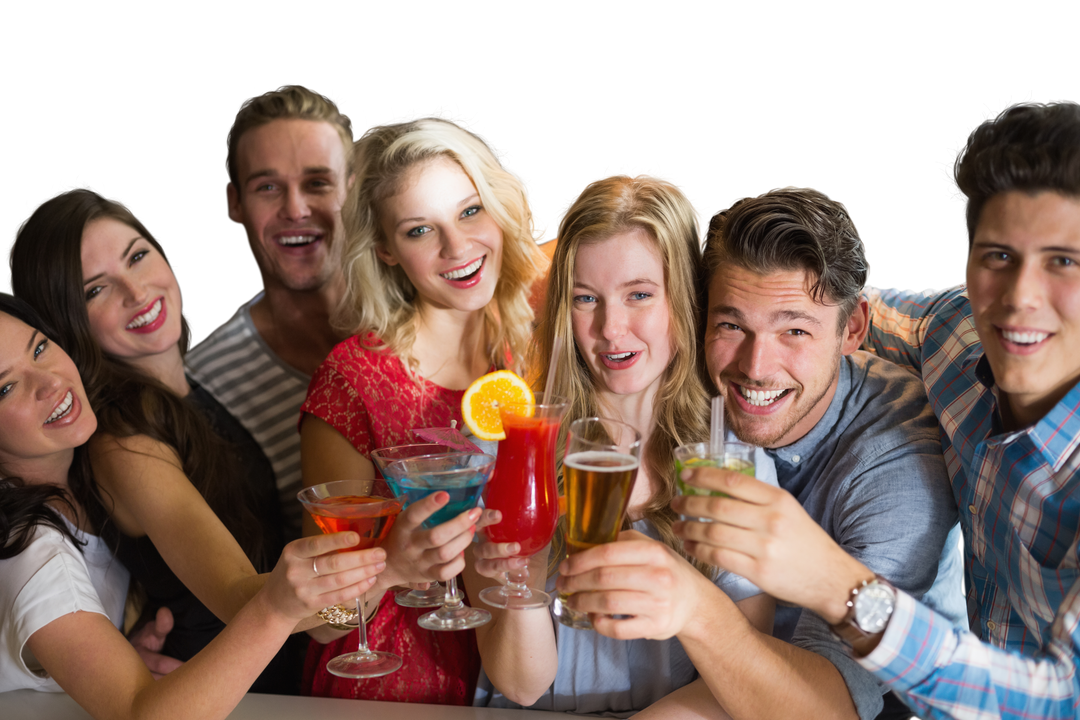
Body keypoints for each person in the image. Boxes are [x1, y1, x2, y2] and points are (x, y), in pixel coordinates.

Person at [676, 98, 1080, 719]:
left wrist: (832, 581)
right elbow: (832, 304)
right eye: (999, 255)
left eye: (1064, 262)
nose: (1022, 297)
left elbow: (1055, 700)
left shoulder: (896, 464)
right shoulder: (957, 334)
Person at [4, 187, 476, 695]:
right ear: (63, 323)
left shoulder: (190, 392)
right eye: (95, 290)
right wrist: (389, 565)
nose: (136, 291)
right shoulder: (124, 439)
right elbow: (239, 598)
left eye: (137, 257)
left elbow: (295, 607)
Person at [561, 183, 968, 720]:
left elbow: (832, 707)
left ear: (853, 330)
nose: (755, 367)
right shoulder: (687, 400)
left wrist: (697, 610)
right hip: (724, 689)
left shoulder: (893, 464)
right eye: (731, 325)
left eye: (794, 331)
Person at [466, 166, 776, 716]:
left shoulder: (730, 460)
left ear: (683, 301)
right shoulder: (512, 448)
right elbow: (520, 683)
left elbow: (742, 677)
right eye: (586, 299)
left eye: (638, 294)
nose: (611, 328)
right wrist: (524, 580)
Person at [0, 290, 384, 719]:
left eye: (39, 348)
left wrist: (116, 653)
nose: (50, 382)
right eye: (7, 387)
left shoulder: (76, 492)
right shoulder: (34, 555)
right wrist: (276, 608)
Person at [298, 113, 549, 704]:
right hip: (386, 686)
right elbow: (314, 613)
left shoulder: (527, 354)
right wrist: (390, 559)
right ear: (385, 250)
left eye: (469, 211)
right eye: (419, 231)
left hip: (503, 675)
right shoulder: (354, 378)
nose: (458, 247)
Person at [185, 82, 358, 544]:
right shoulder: (205, 388)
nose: (296, 209)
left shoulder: (427, 309)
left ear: (355, 190)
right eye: (267, 187)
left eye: (318, 183)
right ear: (235, 203)